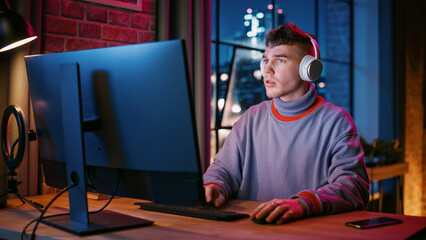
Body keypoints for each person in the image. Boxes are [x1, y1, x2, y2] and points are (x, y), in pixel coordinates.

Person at [203, 22, 370, 225]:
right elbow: (223, 169)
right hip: (251, 230)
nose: (267, 70)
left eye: (280, 60)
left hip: (307, 233)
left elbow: (353, 187)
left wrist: (303, 204)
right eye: (265, 60)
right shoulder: (251, 118)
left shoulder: (336, 122)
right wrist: (214, 186)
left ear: (308, 69)